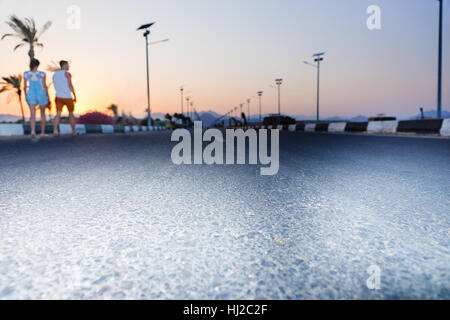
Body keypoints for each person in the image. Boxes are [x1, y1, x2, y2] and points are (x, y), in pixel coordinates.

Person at [23, 59, 50, 138]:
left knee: (32, 114)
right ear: (38, 65)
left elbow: (24, 86)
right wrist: (47, 96)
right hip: (41, 94)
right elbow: (44, 86)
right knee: (42, 113)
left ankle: (33, 131)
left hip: (31, 94)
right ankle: (42, 132)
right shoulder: (42, 74)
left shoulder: (26, 74)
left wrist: (25, 96)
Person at [52, 60, 77, 136]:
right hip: (67, 97)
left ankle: (55, 130)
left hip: (58, 96)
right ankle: (73, 131)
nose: (68, 66)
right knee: (71, 114)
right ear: (64, 65)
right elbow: (70, 85)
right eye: (67, 65)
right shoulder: (67, 74)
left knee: (58, 114)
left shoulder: (55, 74)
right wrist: (75, 96)